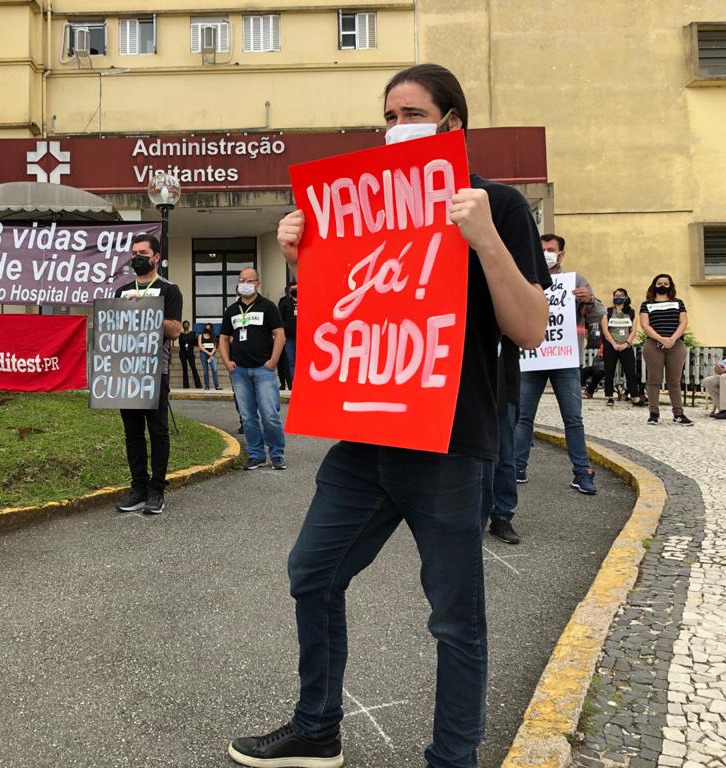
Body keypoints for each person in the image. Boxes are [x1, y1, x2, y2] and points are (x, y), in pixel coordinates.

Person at [228, 63, 550, 768]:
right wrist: (303, 259)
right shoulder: (367, 207)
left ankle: (453, 757)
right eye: (389, 116)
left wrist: (484, 237)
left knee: (454, 617)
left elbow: (529, 328)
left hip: (450, 441)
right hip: (369, 434)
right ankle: (317, 727)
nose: (396, 126)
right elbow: (353, 318)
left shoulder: (498, 205)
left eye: (412, 114)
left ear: (452, 123)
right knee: (312, 572)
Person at [513, 233, 603, 495]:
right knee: (523, 416)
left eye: (551, 249)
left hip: (564, 359)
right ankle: (517, 468)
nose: (546, 254)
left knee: (573, 418)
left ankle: (581, 472)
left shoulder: (575, 281)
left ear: (561, 254)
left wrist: (589, 300)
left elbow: (598, 315)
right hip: (532, 357)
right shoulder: (523, 280)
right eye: (541, 249)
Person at [114, 233, 184, 514]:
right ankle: (138, 489)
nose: (137, 258)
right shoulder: (122, 290)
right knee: (132, 433)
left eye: (143, 253)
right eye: (133, 253)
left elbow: (175, 330)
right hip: (126, 371)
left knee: (157, 431)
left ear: (156, 257)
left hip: (155, 370)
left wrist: (146, 308)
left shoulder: (169, 290)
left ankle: (157, 491)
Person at [218, 267, 287, 471]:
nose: (245, 284)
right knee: (248, 416)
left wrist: (273, 361)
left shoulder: (268, 307)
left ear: (258, 283)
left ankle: (277, 454)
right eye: (242, 280)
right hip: (239, 371)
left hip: (263, 369)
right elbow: (223, 338)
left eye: (250, 280)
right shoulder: (231, 310)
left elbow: (280, 334)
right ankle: (256, 454)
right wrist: (227, 362)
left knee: (270, 415)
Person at [639, 273, 694, 426]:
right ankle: (654, 413)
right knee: (654, 380)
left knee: (674, 381)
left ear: (670, 286)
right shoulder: (646, 304)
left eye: (665, 283)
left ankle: (678, 414)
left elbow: (683, 322)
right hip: (653, 345)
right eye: (659, 283)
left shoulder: (678, 303)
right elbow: (645, 325)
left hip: (676, 345)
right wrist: (661, 339)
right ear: (654, 285)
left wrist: (672, 339)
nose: (662, 286)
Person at [487, 338, 524, 545]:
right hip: (465, 383)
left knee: (504, 455)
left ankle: (502, 516)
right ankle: (470, 514)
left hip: (504, 383)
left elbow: (530, 337)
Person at [600, 288, 644, 406]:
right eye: (616, 295)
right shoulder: (608, 312)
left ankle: (635, 397)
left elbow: (633, 330)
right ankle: (609, 397)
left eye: (621, 295)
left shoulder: (631, 312)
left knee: (630, 371)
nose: (618, 297)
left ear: (626, 297)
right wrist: (613, 344)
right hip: (610, 345)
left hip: (626, 346)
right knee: (609, 371)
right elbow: (605, 329)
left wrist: (626, 344)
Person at [278, 281, 298, 381]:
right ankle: (294, 383)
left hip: (304, 338)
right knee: (291, 362)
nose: (295, 291)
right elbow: (279, 320)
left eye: (297, 289)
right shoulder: (284, 303)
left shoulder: (306, 301)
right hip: (289, 338)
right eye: (293, 289)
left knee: (303, 362)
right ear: (289, 290)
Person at [177, 320, 202, 389]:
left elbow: (195, 342)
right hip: (183, 352)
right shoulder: (181, 334)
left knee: (193, 367)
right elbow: (180, 343)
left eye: (187, 324)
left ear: (189, 325)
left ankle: (198, 385)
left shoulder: (192, 333)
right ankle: (186, 385)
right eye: (184, 324)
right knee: (184, 368)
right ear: (183, 326)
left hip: (190, 352)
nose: (185, 325)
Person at [199, 323, 221, 390]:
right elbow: (200, 346)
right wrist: (208, 352)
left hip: (212, 354)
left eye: (209, 328)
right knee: (205, 370)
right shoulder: (200, 335)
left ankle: (217, 386)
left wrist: (211, 353)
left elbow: (215, 346)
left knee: (214, 369)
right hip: (203, 354)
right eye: (206, 328)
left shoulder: (213, 336)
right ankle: (207, 386)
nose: (207, 329)